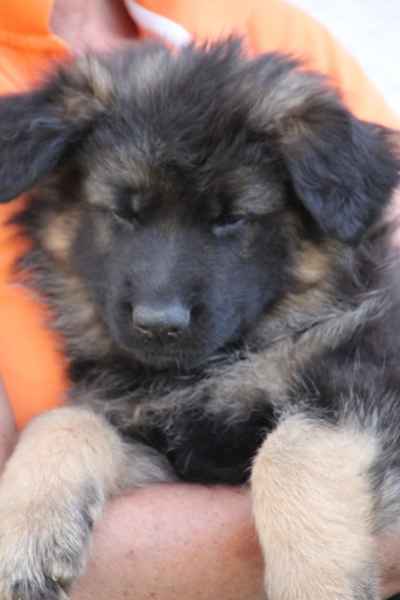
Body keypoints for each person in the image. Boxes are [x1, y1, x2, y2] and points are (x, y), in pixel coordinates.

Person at [0, 1, 399, 598]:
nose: (159, 307)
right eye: (126, 213)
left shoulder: (259, 23)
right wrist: (62, 448)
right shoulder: (108, 382)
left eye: (230, 220)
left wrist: (307, 482)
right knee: (71, 429)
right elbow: (141, 452)